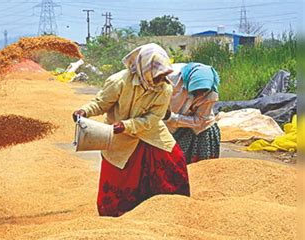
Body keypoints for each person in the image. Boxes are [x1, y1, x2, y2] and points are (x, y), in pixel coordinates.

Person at [72, 43, 190, 217]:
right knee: (119, 184)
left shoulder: (165, 88)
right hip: (119, 138)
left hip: (151, 134)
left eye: (165, 75)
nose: (161, 80)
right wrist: (84, 111)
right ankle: (119, 218)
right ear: (145, 68)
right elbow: (100, 103)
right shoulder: (118, 82)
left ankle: (172, 212)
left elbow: (152, 119)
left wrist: (126, 125)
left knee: (175, 163)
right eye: (158, 75)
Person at [163, 62, 221, 164]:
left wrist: (170, 117)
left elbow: (200, 120)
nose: (199, 94)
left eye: (203, 91)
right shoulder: (171, 78)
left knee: (200, 166)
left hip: (201, 129)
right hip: (174, 125)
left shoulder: (211, 94)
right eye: (196, 90)